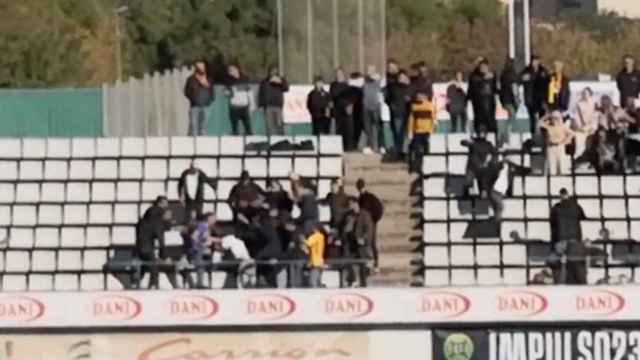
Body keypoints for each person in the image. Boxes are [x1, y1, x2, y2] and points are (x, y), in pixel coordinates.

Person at [135, 196, 178, 289]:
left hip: (143, 245)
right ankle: (154, 286)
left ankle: (141, 284)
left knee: (147, 266)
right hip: (147, 246)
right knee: (153, 267)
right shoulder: (157, 216)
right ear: (161, 203)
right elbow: (159, 236)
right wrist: (165, 255)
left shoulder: (149, 216)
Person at [549, 188, 587, 284]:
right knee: (575, 263)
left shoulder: (556, 207)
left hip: (560, 238)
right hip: (574, 238)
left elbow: (552, 222)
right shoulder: (576, 207)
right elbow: (583, 217)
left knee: (561, 264)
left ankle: (561, 283)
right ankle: (578, 282)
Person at [598, 95, 636, 171]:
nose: (605, 105)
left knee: (620, 141)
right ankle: (605, 162)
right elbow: (602, 124)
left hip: (619, 133)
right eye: (603, 103)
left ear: (610, 103)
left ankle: (621, 164)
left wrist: (622, 122)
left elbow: (632, 120)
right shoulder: (601, 112)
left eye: (606, 103)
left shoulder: (618, 110)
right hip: (607, 133)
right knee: (601, 137)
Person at [342, 197, 374, 286]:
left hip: (361, 244)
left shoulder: (364, 215)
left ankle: (364, 283)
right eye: (349, 205)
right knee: (349, 262)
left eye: (350, 204)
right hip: (351, 243)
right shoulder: (349, 216)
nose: (349, 206)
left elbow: (369, 228)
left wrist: (364, 238)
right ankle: (351, 281)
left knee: (363, 263)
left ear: (356, 204)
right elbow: (345, 229)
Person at [183, 212, 218, 288]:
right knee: (201, 263)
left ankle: (200, 283)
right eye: (214, 218)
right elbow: (194, 236)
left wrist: (218, 240)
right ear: (209, 218)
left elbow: (206, 238)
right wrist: (200, 244)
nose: (215, 220)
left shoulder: (207, 227)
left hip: (200, 250)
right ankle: (199, 284)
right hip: (196, 250)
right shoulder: (203, 225)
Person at [356, 179, 384, 272]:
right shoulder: (361, 197)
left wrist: (374, 219)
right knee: (368, 243)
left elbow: (379, 208)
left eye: (360, 187)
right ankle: (370, 263)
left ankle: (375, 263)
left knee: (371, 243)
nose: (360, 189)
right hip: (366, 223)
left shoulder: (369, 197)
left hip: (371, 223)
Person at [407, 89, 437, 173]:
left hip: (427, 132)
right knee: (413, 149)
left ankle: (425, 168)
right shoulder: (414, 107)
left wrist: (432, 131)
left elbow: (432, 116)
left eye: (421, 96)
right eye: (418, 96)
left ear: (425, 97)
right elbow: (411, 120)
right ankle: (414, 167)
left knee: (426, 151)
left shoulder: (430, 105)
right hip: (417, 132)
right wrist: (410, 131)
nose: (418, 97)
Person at [462, 126, 497, 197]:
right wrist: (467, 141)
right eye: (480, 132)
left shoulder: (488, 144)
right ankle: (467, 191)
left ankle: (483, 191)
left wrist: (489, 161)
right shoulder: (473, 142)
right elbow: (463, 142)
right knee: (468, 181)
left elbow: (494, 154)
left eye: (483, 132)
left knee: (484, 181)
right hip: (472, 167)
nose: (482, 134)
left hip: (483, 167)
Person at [386, 70, 413, 159]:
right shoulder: (394, 87)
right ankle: (398, 152)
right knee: (398, 134)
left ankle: (403, 152)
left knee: (405, 134)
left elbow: (413, 98)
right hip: (397, 114)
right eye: (401, 77)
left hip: (408, 114)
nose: (402, 79)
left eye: (404, 77)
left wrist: (409, 99)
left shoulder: (409, 87)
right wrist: (392, 105)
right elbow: (388, 98)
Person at [184, 60, 215, 136]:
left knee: (203, 128)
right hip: (195, 106)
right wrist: (193, 99)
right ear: (196, 68)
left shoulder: (209, 79)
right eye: (199, 66)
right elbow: (186, 91)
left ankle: (203, 145)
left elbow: (212, 91)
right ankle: (192, 144)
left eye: (202, 66)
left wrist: (210, 100)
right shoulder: (191, 79)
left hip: (206, 106)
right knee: (194, 128)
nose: (201, 68)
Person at [520, 55, 549, 134]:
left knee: (543, 118)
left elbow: (548, 84)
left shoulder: (543, 71)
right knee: (532, 119)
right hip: (530, 99)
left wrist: (546, 100)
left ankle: (543, 136)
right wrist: (524, 78)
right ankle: (532, 136)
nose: (535, 63)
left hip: (541, 99)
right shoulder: (526, 71)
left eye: (537, 61)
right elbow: (519, 79)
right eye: (534, 61)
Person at [468, 59, 498, 135]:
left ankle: (492, 136)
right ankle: (480, 138)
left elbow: (495, 89)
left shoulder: (491, 76)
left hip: (490, 105)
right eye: (482, 67)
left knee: (490, 122)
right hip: (479, 106)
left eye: (485, 67)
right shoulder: (475, 77)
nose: (484, 68)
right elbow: (472, 89)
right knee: (480, 123)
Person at [539, 111, 574, 175]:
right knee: (552, 171)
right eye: (553, 118)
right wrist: (547, 116)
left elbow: (571, 134)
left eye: (557, 118)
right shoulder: (548, 125)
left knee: (562, 169)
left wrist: (565, 141)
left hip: (560, 146)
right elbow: (540, 123)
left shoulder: (563, 126)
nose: (555, 119)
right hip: (551, 147)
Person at [258, 67, 289, 136]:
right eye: (272, 71)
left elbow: (286, 88)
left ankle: (282, 139)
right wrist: (260, 105)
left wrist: (281, 82)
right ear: (269, 72)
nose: (273, 72)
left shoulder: (281, 80)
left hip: (278, 106)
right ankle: (269, 140)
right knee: (269, 126)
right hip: (268, 106)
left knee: (279, 124)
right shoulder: (264, 81)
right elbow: (261, 94)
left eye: (275, 71)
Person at [224, 64, 253, 135]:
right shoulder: (228, 80)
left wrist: (252, 105)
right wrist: (227, 93)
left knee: (248, 129)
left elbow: (250, 93)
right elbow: (225, 93)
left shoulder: (245, 78)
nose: (230, 72)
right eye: (229, 71)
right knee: (235, 130)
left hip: (244, 107)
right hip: (234, 107)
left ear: (237, 69)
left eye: (232, 70)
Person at [362, 65, 385, 154]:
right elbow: (366, 79)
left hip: (376, 106)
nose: (370, 71)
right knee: (368, 128)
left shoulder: (378, 79)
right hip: (366, 106)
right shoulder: (365, 79)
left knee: (379, 127)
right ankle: (369, 146)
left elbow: (376, 79)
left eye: (371, 70)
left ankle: (381, 145)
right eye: (369, 70)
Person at [330, 68, 354, 150]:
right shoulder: (333, 85)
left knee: (348, 130)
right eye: (337, 74)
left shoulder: (347, 85)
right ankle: (340, 147)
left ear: (343, 75)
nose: (339, 76)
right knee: (339, 130)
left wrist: (349, 105)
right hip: (338, 111)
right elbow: (333, 96)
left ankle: (349, 148)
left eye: (340, 74)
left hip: (347, 110)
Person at [572, 87, 598, 158]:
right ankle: (579, 156)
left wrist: (593, 126)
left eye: (586, 93)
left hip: (592, 127)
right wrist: (579, 126)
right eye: (583, 93)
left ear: (590, 94)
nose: (584, 95)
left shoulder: (594, 103)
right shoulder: (579, 104)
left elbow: (596, 116)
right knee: (578, 137)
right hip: (582, 127)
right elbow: (576, 116)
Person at [499, 58, 519, 146]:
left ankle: (505, 136)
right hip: (510, 100)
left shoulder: (503, 75)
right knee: (512, 118)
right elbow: (514, 89)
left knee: (509, 118)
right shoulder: (512, 75)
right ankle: (506, 137)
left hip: (504, 99)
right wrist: (517, 100)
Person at [302, 222, 325, 288]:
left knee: (312, 281)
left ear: (314, 228)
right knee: (318, 281)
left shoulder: (315, 236)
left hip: (315, 262)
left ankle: (316, 296)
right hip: (320, 261)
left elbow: (308, 243)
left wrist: (301, 238)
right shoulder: (321, 236)